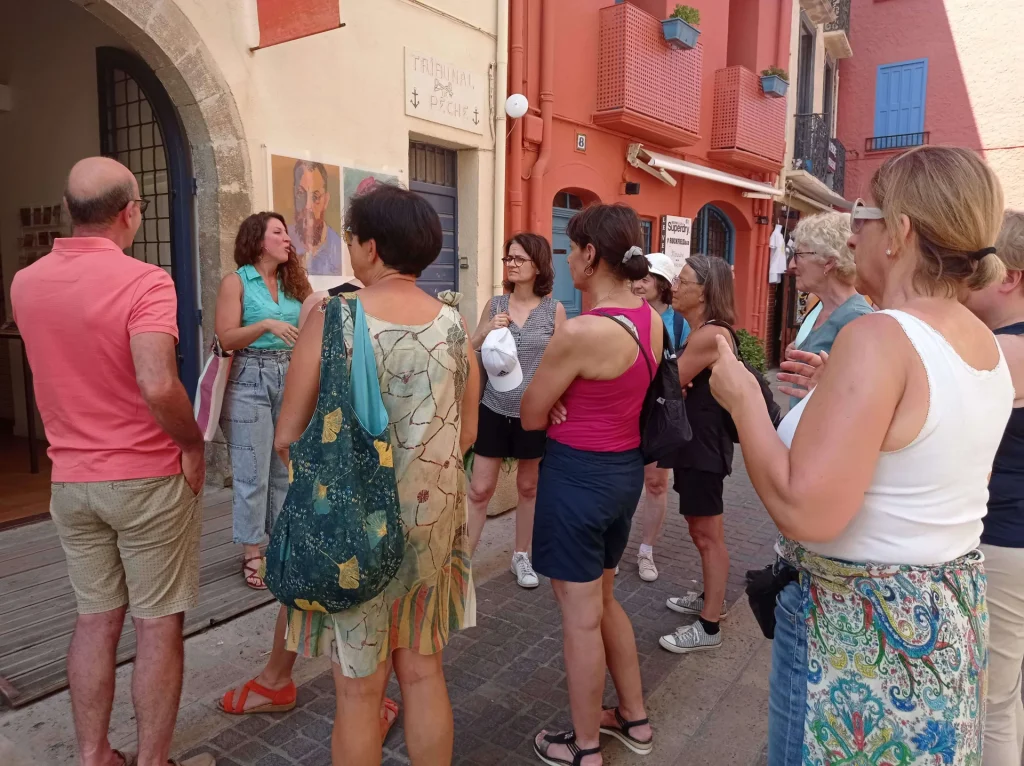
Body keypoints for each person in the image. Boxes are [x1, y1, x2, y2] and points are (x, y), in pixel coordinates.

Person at [709, 146, 1011, 765]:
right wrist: (840, 391)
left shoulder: (879, 337)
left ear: (900, 231)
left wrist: (742, 398)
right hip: (937, 618)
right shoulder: (979, 335)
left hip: (858, 630)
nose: (853, 230)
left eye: (864, 214)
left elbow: (806, 510)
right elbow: (922, 439)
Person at [10, 157, 211, 766]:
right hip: (145, 477)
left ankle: (94, 755)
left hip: (71, 478)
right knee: (156, 625)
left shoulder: (25, 283)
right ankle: (152, 761)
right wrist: (194, 442)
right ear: (130, 212)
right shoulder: (146, 283)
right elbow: (157, 384)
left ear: (72, 212)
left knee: (95, 619)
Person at [275, 184, 480, 765]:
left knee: (359, 691)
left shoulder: (336, 318)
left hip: (353, 530)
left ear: (370, 245)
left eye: (351, 238)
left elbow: (287, 436)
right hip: (432, 520)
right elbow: (466, 434)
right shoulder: (455, 326)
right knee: (422, 673)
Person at [521, 204, 659, 766]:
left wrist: (554, 401)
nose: (566, 258)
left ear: (590, 255)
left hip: (577, 477)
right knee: (602, 600)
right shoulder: (649, 317)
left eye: (570, 248)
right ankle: (635, 717)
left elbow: (530, 413)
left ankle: (583, 749)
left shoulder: (581, 331)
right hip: (623, 474)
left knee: (579, 616)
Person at [215, 212, 312, 589]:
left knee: (284, 466)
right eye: (278, 232)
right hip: (248, 378)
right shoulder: (235, 283)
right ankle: (252, 552)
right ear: (257, 240)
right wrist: (264, 326)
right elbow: (226, 339)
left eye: (287, 233)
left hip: (290, 375)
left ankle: (281, 543)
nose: (287, 239)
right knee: (252, 470)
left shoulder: (293, 283)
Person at [467, 233, 566, 587]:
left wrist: (555, 400)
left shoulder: (554, 310)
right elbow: (471, 348)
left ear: (537, 265)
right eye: (508, 258)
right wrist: (486, 331)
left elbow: (562, 363)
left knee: (528, 487)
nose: (511, 264)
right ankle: (462, 565)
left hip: (533, 413)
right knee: (479, 489)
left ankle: (521, 556)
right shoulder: (496, 305)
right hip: (494, 408)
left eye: (519, 259)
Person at [963, 209, 1024, 766]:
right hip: (1013, 537)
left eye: (979, 264)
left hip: (1004, 539)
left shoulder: (1004, 353)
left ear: (1009, 277)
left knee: (991, 701)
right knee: (1006, 694)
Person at [657, 254, 735, 655]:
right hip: (697, 443)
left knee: (707, 534)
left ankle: (708, 624)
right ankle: (712, 598)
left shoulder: (709, 334)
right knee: (699, 529)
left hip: (703, 445)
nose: (674, 285)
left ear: (704, 291)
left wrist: (672, 384)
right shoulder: (699, 331)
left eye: (683, 280)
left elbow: (671, 384)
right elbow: (675, 383)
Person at [630, 252, 689, 582]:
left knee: (655, 484)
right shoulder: (624, 315)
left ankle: (646, 550)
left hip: (660, 415)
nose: (639, 284)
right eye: (636, 278)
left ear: (663, 284)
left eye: (646, 278)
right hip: (626, 412)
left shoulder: (679, 324)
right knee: (622, 480)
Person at [782, 211, 872, 407]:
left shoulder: (857, 318)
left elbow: (860, 399)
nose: (791, 265)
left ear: (829, 262)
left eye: (798, 256)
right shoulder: (818, 306)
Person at [291, 160, 342, 276]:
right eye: (300, 193)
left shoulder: (338, 247)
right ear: (294, 193)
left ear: (326, 201)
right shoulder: (285, 241)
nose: (307, 206)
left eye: (316, 197)